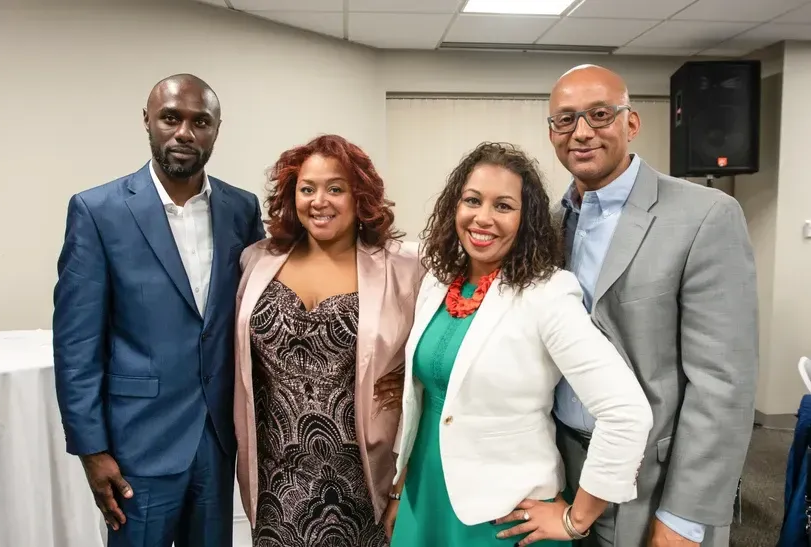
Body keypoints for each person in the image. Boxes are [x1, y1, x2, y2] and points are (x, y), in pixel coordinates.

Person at [388, 142, 654, 547]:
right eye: (472, 200)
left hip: (504, 513)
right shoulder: (439, 282)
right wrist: (400, 484)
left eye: (503, 206)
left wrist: (575, 519)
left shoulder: (547, 294)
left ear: (526, 219)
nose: (483, 218)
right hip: (424, 494)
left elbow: (627, 412)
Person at [547, 64, 758, 547]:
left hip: (652, 481)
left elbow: (723, 384)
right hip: (561, 468)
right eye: (565, 119)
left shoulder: (706, 216)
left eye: (600, 115)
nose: (582, 132)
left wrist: (685, 517)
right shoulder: (552, 220)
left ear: (631, 122)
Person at [52, 73, 265, 547]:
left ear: (216, 130)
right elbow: (76, 344)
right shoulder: (97, 211)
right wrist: (92, 450)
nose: (185, 132)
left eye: (200, 121)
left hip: (215, 437)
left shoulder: (241, 208)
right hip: (136, 445)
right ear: (148, 121)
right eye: (171, 117)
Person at [233, 134, 423, 547]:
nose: (320, 201)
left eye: (336, 188)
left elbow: (433, 345)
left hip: (364, 480)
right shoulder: (256, 260)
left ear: (361, 197)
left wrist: (412, 374)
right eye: (307, 189)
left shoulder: (405, 266)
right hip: (277, 485)